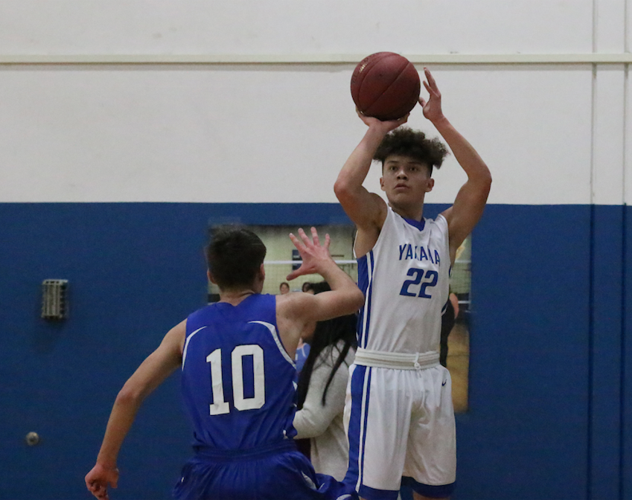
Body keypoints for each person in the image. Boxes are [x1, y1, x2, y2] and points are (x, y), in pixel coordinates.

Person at [84, 225, 363, 500]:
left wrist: (105, 463)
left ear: (212, 276)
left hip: (208, 474)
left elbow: (128, 395)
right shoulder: (287, 310)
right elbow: (353, 298)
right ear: (261, 273)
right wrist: (324, 263)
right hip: (274, 468)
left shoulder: (184, 332)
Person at [334, 68, 491, 500]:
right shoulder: (377, 222)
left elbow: (481, 182)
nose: (402, 174)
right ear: (381, 180)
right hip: (381, 370)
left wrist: (440, 120)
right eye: (393, 168)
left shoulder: (444, 232)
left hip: (430, 376)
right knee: (373, 495)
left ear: (429, 181)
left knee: (435, 492)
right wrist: (377, 131)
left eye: (413, 168)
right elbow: (345, 185)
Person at [293, 281, 358, 481]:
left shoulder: (333, 359)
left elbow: (312, 421)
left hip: (341, 480)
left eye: (309, 307)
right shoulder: (338, 352)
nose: (301, 315)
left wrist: (261, 422)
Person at [438, 292, 459, 368]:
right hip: (441, 321)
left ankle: (442, 362)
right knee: (442, 341)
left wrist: (452, 321)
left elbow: (456, 310)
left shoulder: (451, 295)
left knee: (443, 341)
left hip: (446, 321)